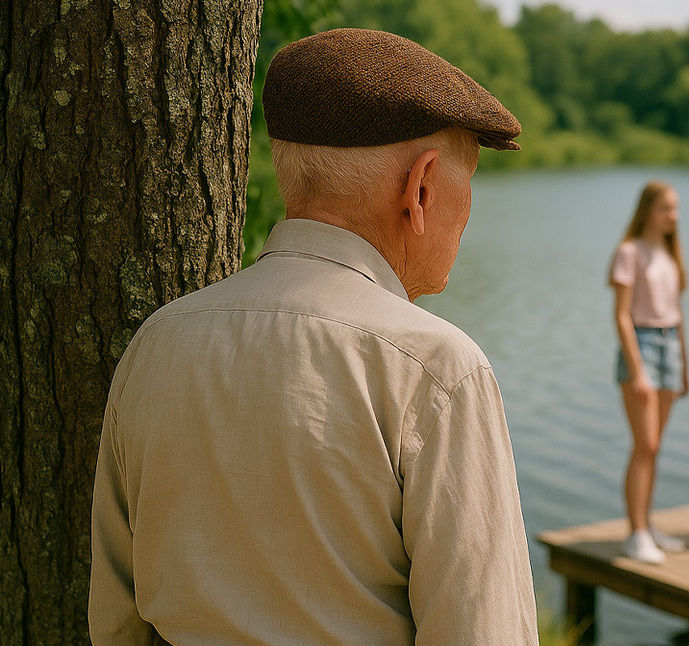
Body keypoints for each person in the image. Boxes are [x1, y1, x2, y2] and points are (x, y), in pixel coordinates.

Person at [90, 29, 538, 644]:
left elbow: (115, 623)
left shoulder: (156, 344)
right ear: (422, 188)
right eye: (471, 180)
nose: (469, 214)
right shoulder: (437, 371)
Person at [610, 180, 689, 564]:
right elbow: (622, 315)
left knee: (656, 446)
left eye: (675, 209)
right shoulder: (630, 252)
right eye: (666, 209)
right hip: (641, 346)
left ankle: (648, 523)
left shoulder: (671, 253)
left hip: (670, 345)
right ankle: (635, 532)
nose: (673, 216)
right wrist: (638, 371)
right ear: (648, 210)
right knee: (646, 445)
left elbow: (678, 311)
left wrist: (685, 365)